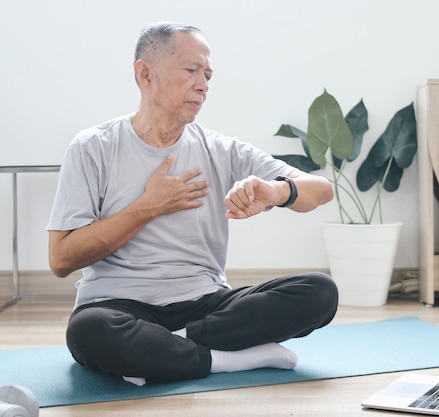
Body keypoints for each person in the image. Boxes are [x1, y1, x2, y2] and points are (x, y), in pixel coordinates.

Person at [47, 22, 338, 385]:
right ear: (145, 74)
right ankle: (228, 359)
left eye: (208, 75)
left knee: (320, 292)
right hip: (119, 306)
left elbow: (322, 189)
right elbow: (61, 260)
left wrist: (278, 191)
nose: (203, 85)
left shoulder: (221, 149)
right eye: (191, 70)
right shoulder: (92, 147)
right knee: (88, 331)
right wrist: (148, 206)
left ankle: (174, 351)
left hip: (205, 304)